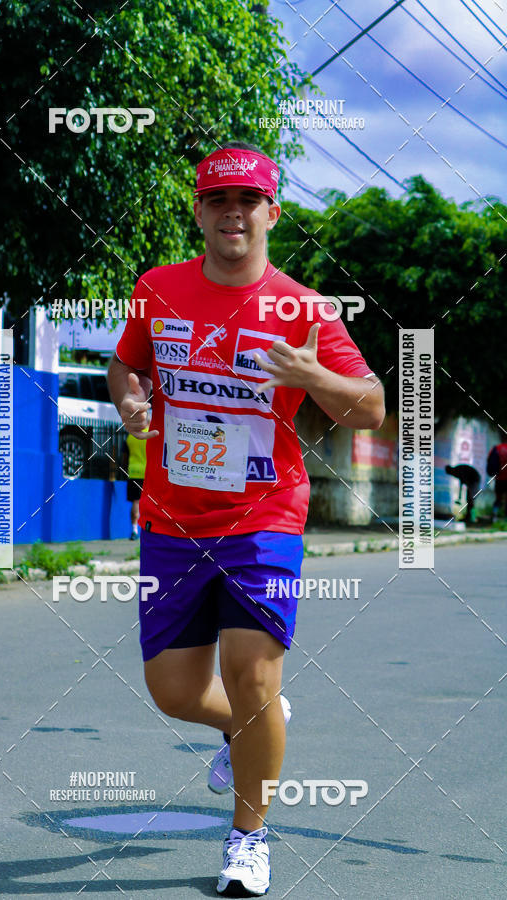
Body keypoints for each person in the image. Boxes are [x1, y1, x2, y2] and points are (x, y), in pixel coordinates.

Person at [108, 142, 385, 897]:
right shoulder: (156, 288)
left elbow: (374, 409)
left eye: (247, 201)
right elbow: (125, 362)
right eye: (218, 200)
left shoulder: (303, 310)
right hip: (171, 517)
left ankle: (248, 838)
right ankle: (246, 727)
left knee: (252, 674)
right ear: (199, 211)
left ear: (273, 212)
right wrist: (131, 398)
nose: (233, 213)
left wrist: (311, 373)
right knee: (171, 689)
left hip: (264, 516)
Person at [122, 427, 148, 540]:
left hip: (134, 472)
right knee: (151, 503)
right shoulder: (150, 435)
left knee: (136, 502)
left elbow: (124, 458)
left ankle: (134, 530)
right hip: (148, 472)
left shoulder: (130, 436)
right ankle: (148, 530)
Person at [486, 441, 507, 521]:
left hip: (499, 479)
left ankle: (494, 515)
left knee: (498, 498)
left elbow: (490, 462)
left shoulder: (497, 448)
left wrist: (493, 473)